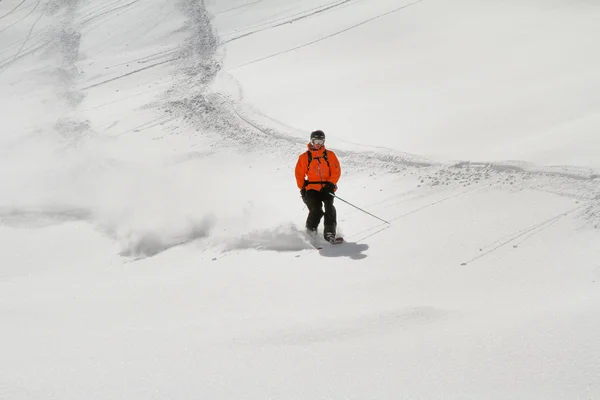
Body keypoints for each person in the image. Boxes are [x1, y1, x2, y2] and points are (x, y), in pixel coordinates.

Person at [295, 130, 341, 242]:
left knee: (330, 207)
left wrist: (330, 184)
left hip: (327, 188)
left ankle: (329, 233)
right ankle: (310, 232)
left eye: (320, 141)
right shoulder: (305, 157)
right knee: (316, 210)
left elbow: (336, 171)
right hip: (311, 189)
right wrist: (302, 189)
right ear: (311, 141)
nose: (318, 144)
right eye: (316, 141)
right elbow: (299, 174)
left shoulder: (330, 155)